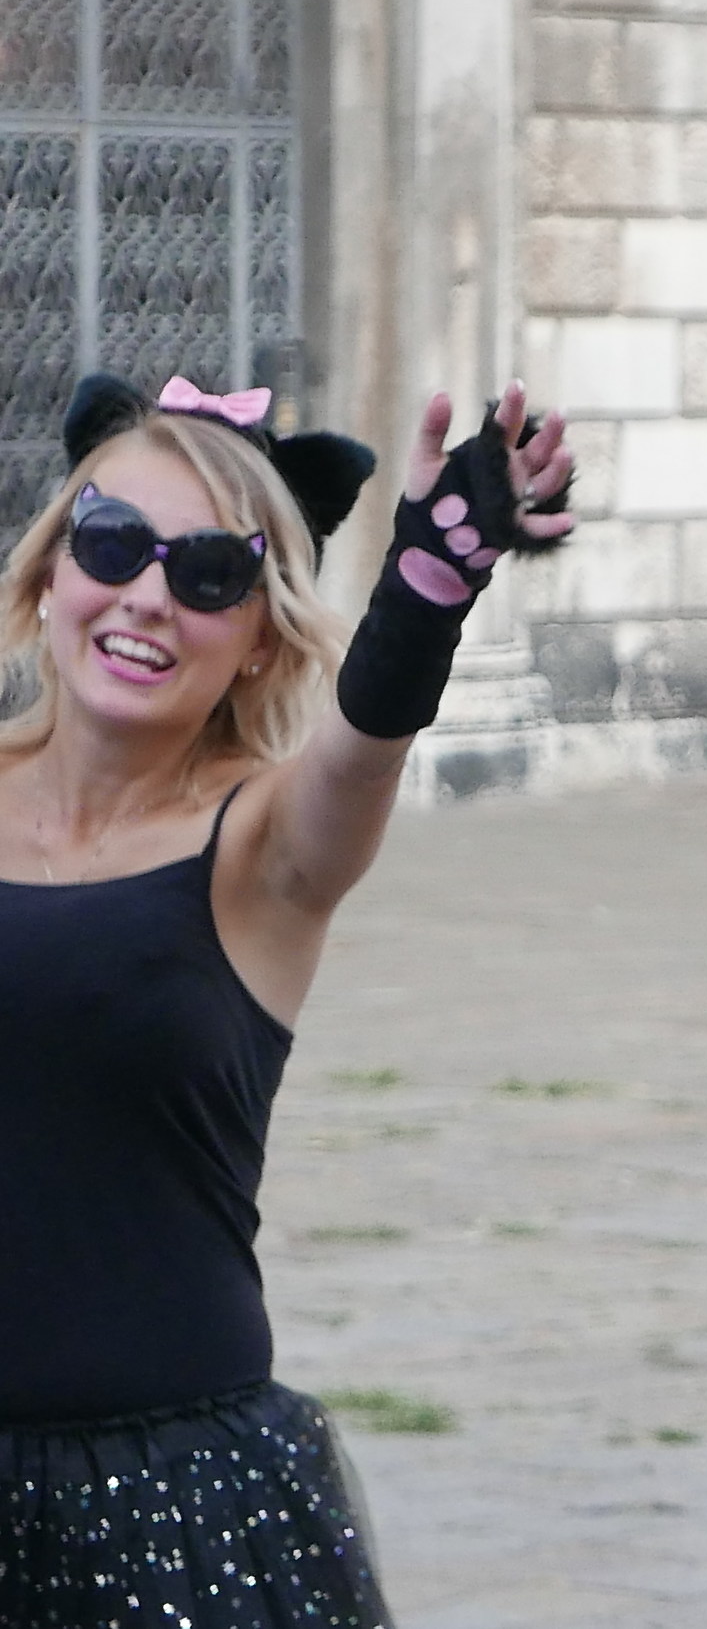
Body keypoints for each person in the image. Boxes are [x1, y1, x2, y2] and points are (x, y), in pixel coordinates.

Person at [0, 371, 573, 1627]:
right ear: (50, 571)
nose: (149, 592)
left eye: (210, 570)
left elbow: (359, 752)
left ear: (259, 630)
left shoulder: (263, 845)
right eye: (111, 543)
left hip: (158, 1510)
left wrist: (431, 582)